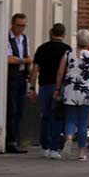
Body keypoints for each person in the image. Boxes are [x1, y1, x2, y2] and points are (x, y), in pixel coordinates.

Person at [55, 30, 89, 161]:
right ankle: (81, 153)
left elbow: (60, 72)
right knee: (83, 122)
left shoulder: (68, 54)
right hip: (86, 91)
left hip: (70, 89)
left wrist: (58, 88)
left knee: (70, 119)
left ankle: (68, 137)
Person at [29, 24, 71, 159]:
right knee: (57, 118)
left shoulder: (42, 48)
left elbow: (35, 69)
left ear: (51, 32)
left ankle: (44, 146)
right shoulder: (67, 50)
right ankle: (54, 148)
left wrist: (31, 88)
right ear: (63, 35)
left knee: (45, 117)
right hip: (59, 88)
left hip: (44, 86)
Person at [6, 13, 31, 154]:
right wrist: (25, 61)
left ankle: (16, 138)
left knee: (20, 110)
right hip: (12, 77)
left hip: (22, 77)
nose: (21, 28)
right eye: (19, 25)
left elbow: (25, 56)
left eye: (23, 26)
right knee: (12, 109)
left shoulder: (24, 39)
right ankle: (11, 141)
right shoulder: (8, 38)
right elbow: (9, 59)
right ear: (13, 24)